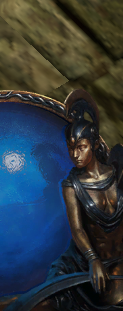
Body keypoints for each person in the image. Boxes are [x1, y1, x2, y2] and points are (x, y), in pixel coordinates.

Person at [59, 90, 123, 309]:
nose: (75, 155)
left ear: (94, 145)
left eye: (81, 147)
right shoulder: (71, 185)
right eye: (71, 148)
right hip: (98, 263)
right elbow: (77, 229)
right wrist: (93, 259)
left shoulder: (117, 173)